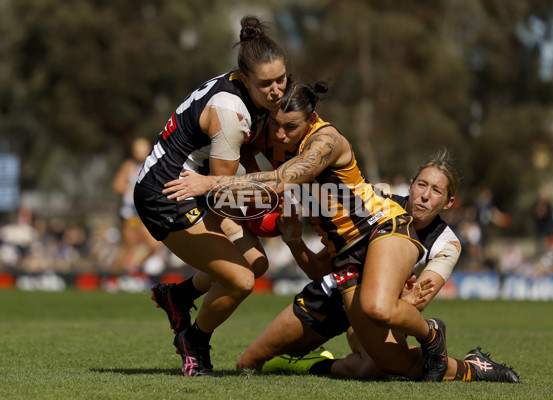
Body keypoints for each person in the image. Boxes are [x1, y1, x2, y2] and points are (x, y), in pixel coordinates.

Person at [161, 79, 450, 381]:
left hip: (381, 227)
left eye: (291, 126)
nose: (281, 134)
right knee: (391, 363)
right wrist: (292, 241)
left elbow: (279, 181)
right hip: (344, 256)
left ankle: (432, 334)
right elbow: (239, 159)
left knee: (377, 308)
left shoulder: (326, 141)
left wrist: (209, 184)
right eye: (275, 124)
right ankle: (473, 368)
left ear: (310, 119)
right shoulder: (267, 134)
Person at [236, 158, 519, 383]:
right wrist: (294, 242)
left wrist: (395, 299)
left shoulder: (447, 244)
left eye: (436, 191)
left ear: (449, 203)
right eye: (422, 185)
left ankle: (472, 368)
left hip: (378, 312)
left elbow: (412, 305)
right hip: (329, 297)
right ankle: (471, 365)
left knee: (377, 367)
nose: (424, 196)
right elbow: (321, 268)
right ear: (410, 184)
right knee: (248, 363)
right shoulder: (376, 204)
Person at [134, 16, 287, 377]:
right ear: (245, 79)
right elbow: (223, 188)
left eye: (281, 78)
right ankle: (194, 341)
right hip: (167, 195)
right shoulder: (230, 112)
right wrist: (271, 197)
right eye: (266, 84)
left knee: (257, 265)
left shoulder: (242, 88)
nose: (277, 90)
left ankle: (179, 296)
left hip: (197, 186)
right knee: (242, 280)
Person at [112, 137, 164, 275]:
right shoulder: (129, 166)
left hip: (146, 211)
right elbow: (118, 186)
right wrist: (135, 191)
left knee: (154, 245)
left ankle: (135, 267)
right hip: (130, 213)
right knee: (129, 248)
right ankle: (112, 277)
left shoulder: (154, 165)